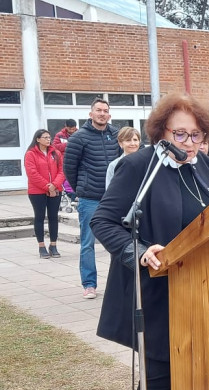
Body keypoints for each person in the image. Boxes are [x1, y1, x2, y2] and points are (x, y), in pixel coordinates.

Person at [91, 93, 209, 390]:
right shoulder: (140, 166)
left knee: (199, 386)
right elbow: (103, 221)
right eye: (179, 134)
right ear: (161, 132)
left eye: (196, 135)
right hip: (158, 298)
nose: (189, 142)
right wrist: (138, 251)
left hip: (204, 294)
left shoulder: (204, 165)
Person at [63, 98, 120, 299]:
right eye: (98, 110)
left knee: (119, 241)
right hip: (90, 199)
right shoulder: (78, 138)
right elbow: (69, 167)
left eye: (105, 110)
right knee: (87, 243)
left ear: (109, 115)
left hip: (115, 198)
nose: (102, 113)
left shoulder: (117, 135)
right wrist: (81, 188)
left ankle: (118, 283)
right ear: (91, 114)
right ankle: (89, 284)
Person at [24, 129, 65, 259]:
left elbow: (62, 171)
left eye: (49, 137)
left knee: (53, 217)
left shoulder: (56, 153)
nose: (48, 139)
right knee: (40, 217)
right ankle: (41, 246)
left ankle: (53, 245)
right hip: (37, 191)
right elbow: (32, 173)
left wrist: (54, 185)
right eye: (45, 137)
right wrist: (48, 187)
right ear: (37, 139)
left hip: (55, 189)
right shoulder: (31, 154)